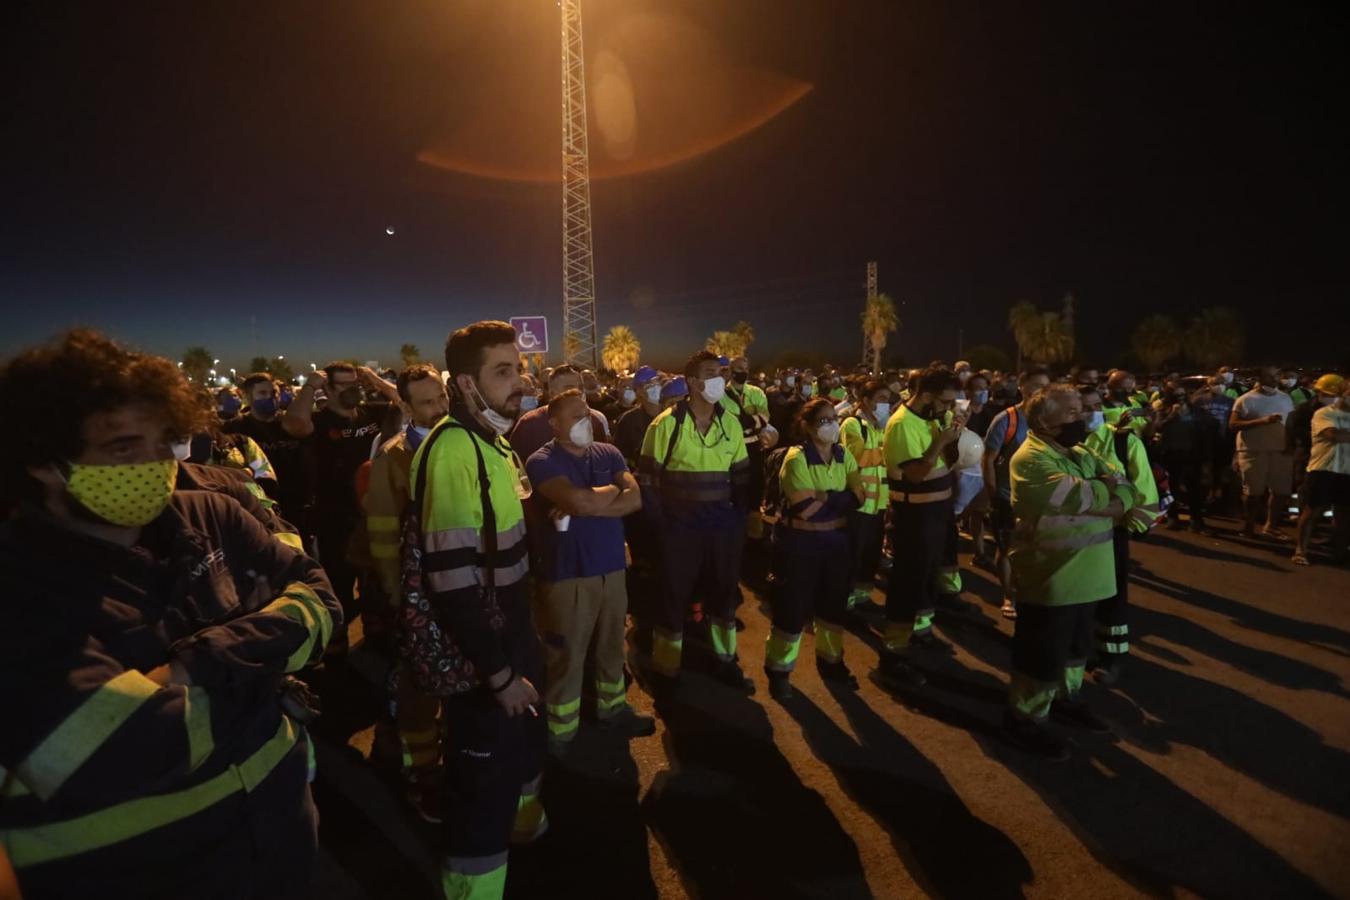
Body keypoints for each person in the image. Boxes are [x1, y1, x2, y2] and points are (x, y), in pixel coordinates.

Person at [0, 330, 339, 898]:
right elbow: (114, 753)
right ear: (43, 461)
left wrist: (194, 666)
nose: (156, 465)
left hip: (282, 846)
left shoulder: (211, 515)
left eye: (164, 441)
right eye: (124, 449)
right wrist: (266, 671)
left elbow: (322, 603)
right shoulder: (19, 585)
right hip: (138, 877)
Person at [411, 321, 545, 900]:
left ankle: (525, 836)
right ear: (465, 383)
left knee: (516, 761)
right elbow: (451, 582)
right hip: (483, 656)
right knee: (480, 792)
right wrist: (499, 674)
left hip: (512, 631)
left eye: (518, 368)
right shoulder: (451, 450)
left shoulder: (493, 438)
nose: (520, 382)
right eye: (504, 371)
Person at [1003, 384, 1140, 760]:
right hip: (1053, 579)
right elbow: (1088, 498)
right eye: (1072, 412)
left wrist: (1113, 494)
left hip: (1091, 577)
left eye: (1081, 410)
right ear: (1045, 421)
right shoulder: (1030, 459)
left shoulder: (1081, 453)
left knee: (1077, 650)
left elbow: (1128, 491)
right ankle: (1025, 719)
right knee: (1041, 656)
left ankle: (1066, 698)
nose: (1081, 417)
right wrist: (1109, 494)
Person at [526, 390, 654, 755]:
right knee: (566, 654)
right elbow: (580, 500)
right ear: (554, 424)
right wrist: (611, 492)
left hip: (612, 568)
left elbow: (636, 499)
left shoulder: (608, 453)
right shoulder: (541, 460)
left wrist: (588, 505)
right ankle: (560, 733)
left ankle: (612, 710)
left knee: (612, 646)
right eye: (577, 416)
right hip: (568, 574)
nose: (588, 422)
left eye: (589, 415)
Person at [363, 363, 451, 822]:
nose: (439, 407)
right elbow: (381, 532)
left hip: (463, 591)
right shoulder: (393, 458)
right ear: (406, 408)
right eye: (428, 402)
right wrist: (398, 595)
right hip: (418, 596)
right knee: (418, 689)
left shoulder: (465, 441)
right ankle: (423, 775)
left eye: (441, 396)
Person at [638, 350, 753, 694]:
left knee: (723, 597)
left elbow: (742, 477)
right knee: (673, 597)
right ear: (691, 382)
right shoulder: (666, 424)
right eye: (710, 373)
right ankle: (667, 667)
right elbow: (647, 481)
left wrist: (738, 519)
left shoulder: (730, 422)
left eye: (720, 372)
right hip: (680, 530)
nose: (718, 378)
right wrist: (664, 525)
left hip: (722, 528)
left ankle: (724, 660)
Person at [764, 399, 864, 700]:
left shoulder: (843, 454)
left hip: (835, 544)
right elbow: (805, 509)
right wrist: (839, 496)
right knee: (792, 612)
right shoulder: (796, 459)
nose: (832, 424)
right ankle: (779, 672)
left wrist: (824, 495)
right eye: (824, 420)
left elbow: (860, 496)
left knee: (832, 610)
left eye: (834, 418)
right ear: (807, 426)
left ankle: (832, 663)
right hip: (799, 546)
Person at [876, 366, 966, 689]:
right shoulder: (902, 424)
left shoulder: (934, 417)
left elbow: (950, 461)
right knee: (907, 582)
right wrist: (938, 443)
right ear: (926, 395)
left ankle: (921, 631)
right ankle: (893, 654)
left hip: (937, 512)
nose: (948, 409)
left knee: (927, 576)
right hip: (914, 517)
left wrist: (954, 435)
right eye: (944, 402)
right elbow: (914, 475)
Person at [1082, 390, 1160, 684]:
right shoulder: (1063, 443)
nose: (1089, 414)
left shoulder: (1123, 440)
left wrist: (1130, 523)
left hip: (1110, 533)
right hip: (1072, 533)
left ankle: (1110, 657)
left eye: (1093, 407)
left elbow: (1143, 488)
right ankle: (1081, 651)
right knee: (1079, 597)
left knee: (1111, 598)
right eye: (1081, 408)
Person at [982, 367, 1053, 619]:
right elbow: (988, 460)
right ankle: (1008, 595)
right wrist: (994, 497)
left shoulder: (1052, 419)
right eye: (1035, 386)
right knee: (1008, 548)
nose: (1040, 392)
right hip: (1008, 496)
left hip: (1043, 500)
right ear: (1022, 387)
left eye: (1045, 387)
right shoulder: (1006, 420)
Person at [224, 371, 310, 524]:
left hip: (297, 505)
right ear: (248, 397)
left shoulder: (291, 425)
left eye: (274, 392)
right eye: (262, 393)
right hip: (258, 510)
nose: (271, 397)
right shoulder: (235, 428)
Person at [841, 380, 891, 611]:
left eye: (888, 399)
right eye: (881, 399)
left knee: (870, 555)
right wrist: (890, 451)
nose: (886, 404)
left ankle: (862, 596)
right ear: (866, 400)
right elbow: (857, 457)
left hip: (879, 503)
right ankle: (844, 599)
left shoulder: (881, 427)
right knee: (852, 554)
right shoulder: (852, 424)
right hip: (859, 502)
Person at [1230, 366, 1296, 539]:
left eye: (1277, 375)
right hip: (1253, 450)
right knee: (1253, 494)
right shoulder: (1246, 399)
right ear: (1260, 378)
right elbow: (1233, 424)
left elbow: (1290, 424)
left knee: (1281, 492)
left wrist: (1290, 444)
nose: (1275, 379)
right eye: (1270, 375)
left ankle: (1270, 526)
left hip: (1280, 450)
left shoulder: (1285, 398)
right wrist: (1262, 421)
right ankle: (1248, 527)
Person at [1293, 375, 1350, 566]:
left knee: (1343, 515)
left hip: (1346, 471)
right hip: (1322, 469)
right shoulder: (1324, 413)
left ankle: (1340, 553)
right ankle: (1301, 550)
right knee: (1313, 510)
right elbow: (1332, 435)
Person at [723, 356, 777, 540]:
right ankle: (734, 528)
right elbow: (727, 423)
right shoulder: (721, 395)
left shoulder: (757, 392)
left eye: (745, 368)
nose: (743, 372)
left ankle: (754, 531)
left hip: (754, 447)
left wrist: (744, 422)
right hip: (730, 449)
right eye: (738, 368)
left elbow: (764, 419)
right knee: (734, 487)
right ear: (730, 370)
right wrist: (752, 420)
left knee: (755, 485)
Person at [508, 365, 608, 463]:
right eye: (569, 388)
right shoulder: (529, 424)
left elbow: (602, 462)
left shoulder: (594, 421)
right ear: (552, 393)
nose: (578, 392)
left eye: (581, 387)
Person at [1154, 380, 1217, 532]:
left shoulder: (1194, 410)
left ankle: (1196, 520)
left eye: (1183, 394)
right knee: (1172, 488)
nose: (1180, 397)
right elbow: (1157, 427)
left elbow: (1205, 432)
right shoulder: (1162, 409)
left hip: (1192, 454)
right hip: (1170, 454)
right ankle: (1172, 516)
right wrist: (1171, 415)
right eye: (1176, 394)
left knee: (1194, 489)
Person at [614, 366, 663, 468]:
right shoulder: (628, 420)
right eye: (648, 384)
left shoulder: (672, 414)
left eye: (656, 382)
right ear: (638, 391)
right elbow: (622, 457)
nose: (655, 386)